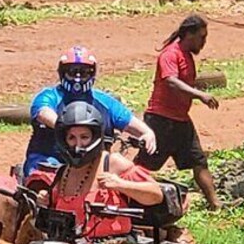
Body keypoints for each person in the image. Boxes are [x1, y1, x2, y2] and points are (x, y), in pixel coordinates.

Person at [36, 102, 164, 244]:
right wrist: (46, 200)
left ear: (95, 136)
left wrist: (121, 184)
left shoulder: (112, 163)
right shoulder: (64, 170)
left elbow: (155, 194)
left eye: (84, 136)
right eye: (72, 137)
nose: (78, 143)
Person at [22, 45, 156, 177]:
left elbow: (129, 121)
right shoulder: (49, 96)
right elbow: (43, 112)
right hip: (50, 161)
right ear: (62, 72)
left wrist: (147, 133)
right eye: (72, 71)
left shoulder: (105, 102)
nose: (78, 77)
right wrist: (63, 125)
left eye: (84, 72)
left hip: (94, 166)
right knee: (44, 186)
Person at [134, 14, 222, 210]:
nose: (204, 42)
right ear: (189, 34)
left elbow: (183, 82)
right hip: (161, 120)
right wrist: (200, 95)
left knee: (198, 160)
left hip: (180, 120)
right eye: (202, 37)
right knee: (145, 165)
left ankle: (216, 204)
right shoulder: (170, 54)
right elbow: (170, 81)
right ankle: (127, 195)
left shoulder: (187, 56)